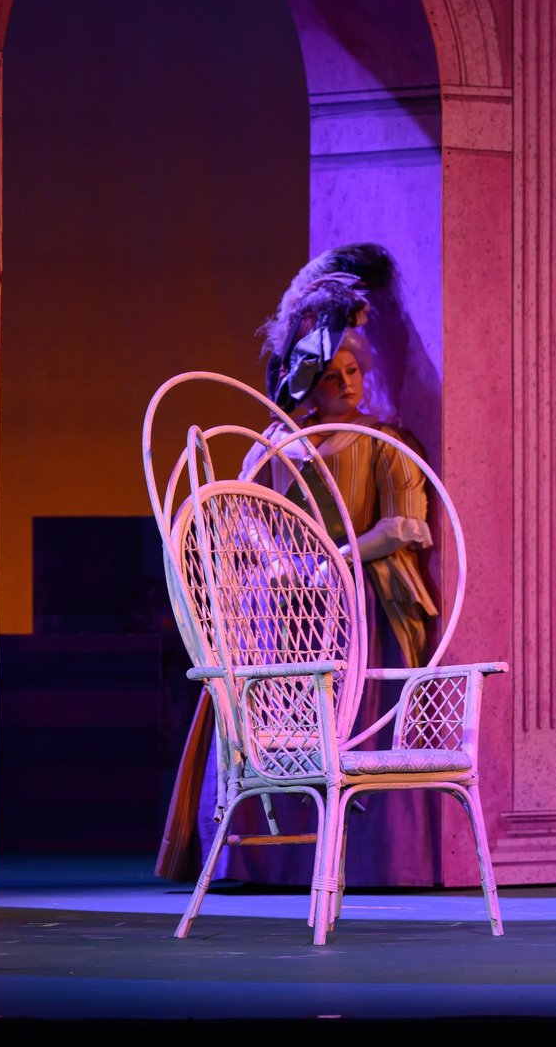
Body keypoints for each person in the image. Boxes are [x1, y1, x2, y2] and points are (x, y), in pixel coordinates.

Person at [156, 244, 439, 887]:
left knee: (358, 722)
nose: (345, 384)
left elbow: (403, 525)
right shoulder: (284, 444)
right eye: (331, 373)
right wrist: (285, 562)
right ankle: (265, 856)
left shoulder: (386, 444)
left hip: (361, 601)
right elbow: (246, 513)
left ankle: (369, 861)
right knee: (266, 712)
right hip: (289, 604)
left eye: (353, 372)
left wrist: (337, 559)